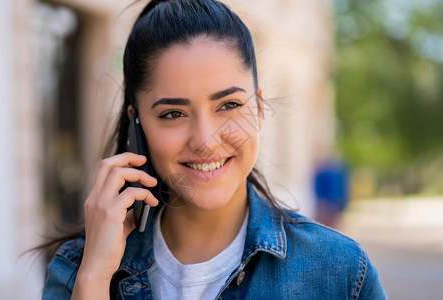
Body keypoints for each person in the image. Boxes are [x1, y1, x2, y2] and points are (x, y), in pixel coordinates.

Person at [42, 0, 387, 299]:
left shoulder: (339, 272)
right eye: (173, 113)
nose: (205, 139)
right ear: (137, 125)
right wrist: (94, 278)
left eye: (228, 105)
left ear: (259, 107)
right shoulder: (77, 268)